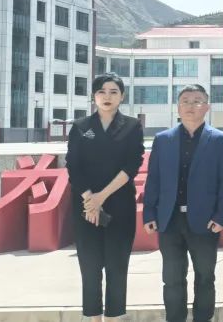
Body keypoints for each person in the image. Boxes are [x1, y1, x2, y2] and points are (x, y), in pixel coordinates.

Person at [143, 84, 223, 322]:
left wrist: (220, 217)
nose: (190, 106)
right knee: (172, 279)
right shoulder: (163, 140)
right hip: (169, 219)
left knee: (205, 277)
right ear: (178, 107)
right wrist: (149, 213)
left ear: (207, 107)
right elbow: (154, 179)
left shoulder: (221, 140)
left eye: (197, 101)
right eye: (185, 101)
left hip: (205, 221)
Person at [65, 72, 145, 321]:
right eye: (101, 91)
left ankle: (114, 317)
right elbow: (73, 166)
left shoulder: (132, 126)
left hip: (120, 204)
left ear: (122, 96)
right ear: (93, 96)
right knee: (89, 267)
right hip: (85, 206)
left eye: (113, 92)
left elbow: (132, 165)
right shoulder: (80, 127)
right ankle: (93, 318)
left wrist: (101, 197)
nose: (107, 96)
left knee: (117, 266)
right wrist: (90, 200)